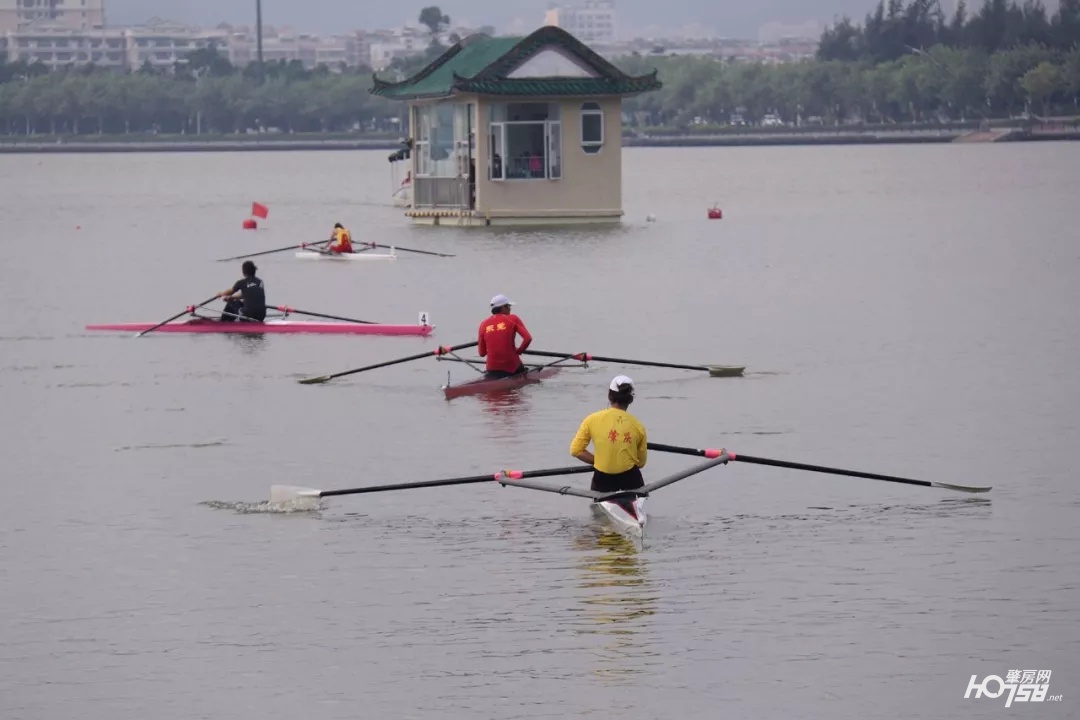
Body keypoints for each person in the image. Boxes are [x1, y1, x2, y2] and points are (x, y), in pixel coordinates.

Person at [570, 375, 647, 493]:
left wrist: (600, 460)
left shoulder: (591, 419)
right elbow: (641, 463)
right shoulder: (638, 426)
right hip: (631, 480)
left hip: (602, 480)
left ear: (609, 396)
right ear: (630, 400)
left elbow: (576, 450)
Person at [477, 294, 532, 379]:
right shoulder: (513, 319)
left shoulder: (483, 324)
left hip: (492, 369)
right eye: (509, 306)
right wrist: (519, 351)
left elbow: (482, 353)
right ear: (503, 307)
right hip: (512, 367)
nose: (510, 309)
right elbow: (527, 339)